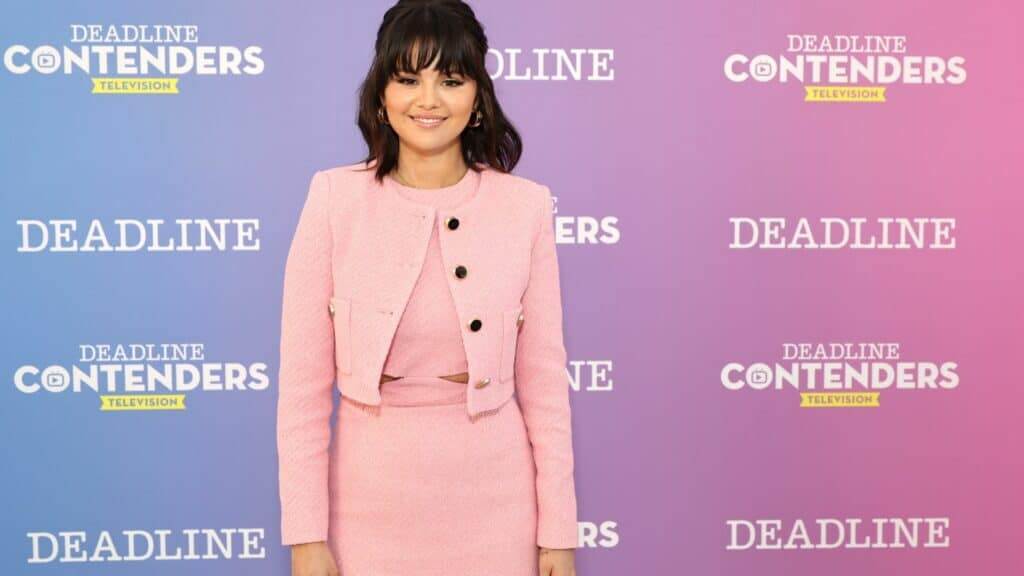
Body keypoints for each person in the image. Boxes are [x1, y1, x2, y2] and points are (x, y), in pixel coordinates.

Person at [276, 1, 579, 574]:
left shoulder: (526, 207)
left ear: (478, 97)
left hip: (498, 505)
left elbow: (545, 384)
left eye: (450, 80)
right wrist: (306, 534)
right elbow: (302, 391)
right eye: (408, 79)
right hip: (368, 505)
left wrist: (558, 531)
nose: (428, 100)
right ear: (382, 95)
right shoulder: (333, 201)